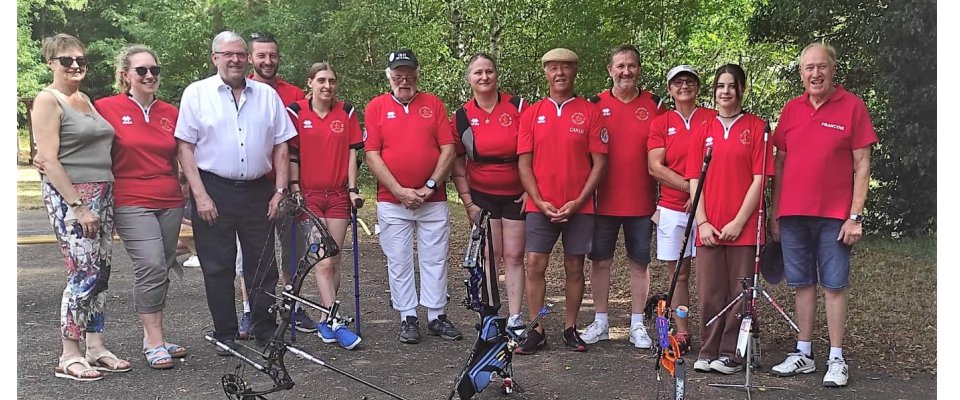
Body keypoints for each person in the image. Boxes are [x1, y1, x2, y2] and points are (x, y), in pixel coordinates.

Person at [175, 31, 296, 355]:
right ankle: (225, 334)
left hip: (259, 191)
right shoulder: (196, 94)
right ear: (215, 58)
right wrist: (200, 196)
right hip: (214, 188)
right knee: (218, 267)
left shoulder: (267, 96)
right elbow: (185, 147)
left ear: (247, 58)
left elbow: (282, 145)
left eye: (241, 54)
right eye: (228, 54)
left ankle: (265, 331)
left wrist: (280, 191)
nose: (235, 60)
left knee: (264, 267)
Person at [769, 42, 877, 388]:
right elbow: (780, 163)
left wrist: (855, 216)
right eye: (808, 68)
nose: (815, 74)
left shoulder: (852, 107)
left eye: (821, 67)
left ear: (833, 70)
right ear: (801, 74)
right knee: (801, 283)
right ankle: (804, 353)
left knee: (834, 285)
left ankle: (836, 357)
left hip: (834, 216)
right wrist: (776, 211)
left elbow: (862, 165)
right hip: (793, 214)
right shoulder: (791, 110)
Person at [32, 33, 132, 381]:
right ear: (51, 63)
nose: (75, 66)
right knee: (83, 273)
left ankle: (96, 345)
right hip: (73, 196)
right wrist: (78, 206)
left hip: (103, 193)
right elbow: (47, 157)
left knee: (101, 273)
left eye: (80, 60)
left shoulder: (84, 99)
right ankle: (68, 354)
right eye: (66, 61)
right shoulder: (49, 99)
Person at [95, 44, 187, 370]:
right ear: (125, 75)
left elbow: (186, 154)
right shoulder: (105, 107)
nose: (149, 76)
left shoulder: (171, 113)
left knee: (162, 265)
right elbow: (77, 137)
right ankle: (155, 341)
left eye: (154, 70)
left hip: (171, 200)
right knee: (150, 265)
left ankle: (152, 337)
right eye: (142, 70)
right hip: (131, 200)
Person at [365, 49, 462, 344]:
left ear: (417, 74)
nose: (403, 79)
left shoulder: (433, 104)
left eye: (408, 73)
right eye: (397, 74)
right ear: (389, 76)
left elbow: (448, 148)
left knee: (435, 259)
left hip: (433, 199)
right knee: (399, 260)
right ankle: (407, 315)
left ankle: (436, 315)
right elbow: (372, 154)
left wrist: (430, 185)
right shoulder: (377, 107)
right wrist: (398, 190)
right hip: (392, 200)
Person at [515, 48, 608, 354]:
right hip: (540, 206)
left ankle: (570, 328)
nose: (559, 73)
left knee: (574, 265)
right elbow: (524, 164)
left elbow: (599, 163)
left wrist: (580, 200)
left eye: (565, 68)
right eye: (553, 68)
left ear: (574, 72)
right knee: (534, 264)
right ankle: (535, 330)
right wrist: (539, 201)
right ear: (546, 73)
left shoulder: (590, 112)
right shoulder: (531, 113)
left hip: (580, 207)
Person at [685, 64, 772, 375]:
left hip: (744, 227)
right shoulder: (702, 130)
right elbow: (695, 179)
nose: (725, 91)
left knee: (740, 292)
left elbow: (759, 179)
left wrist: (738, 222)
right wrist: (703, 221)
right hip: (709, 225)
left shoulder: (758, 128)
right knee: (710, 291)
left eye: (731, 86)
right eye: (720, 86)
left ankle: (731, 353)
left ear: (741, 89)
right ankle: (707, 349)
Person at [580, 45, 665, 349]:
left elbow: (668, 155)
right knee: (600, 261)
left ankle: (637, 323)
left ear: (639, 69)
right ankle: (601, 321)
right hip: (603, 201)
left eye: (631, 65)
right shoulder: (593, 105)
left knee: (639, 264)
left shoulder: (656, 105)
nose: (626, 71)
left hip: (642, 203)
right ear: (610, 70)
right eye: (620, 66)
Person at [240, 32, 313, 336]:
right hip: (251, 186)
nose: (268, 61)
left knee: (293, 250)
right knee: (251, 255)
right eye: (261, 56)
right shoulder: (239, 89)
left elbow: (303, 141)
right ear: (250, 58)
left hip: (290, 187)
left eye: (273, 55)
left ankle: (291, 303)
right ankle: (251, 310)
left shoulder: (295, 93)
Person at [286, 62, 363, 349]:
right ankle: (334, 320)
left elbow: (352, 154)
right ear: (310, 83)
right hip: (310, 196)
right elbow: (292, 153)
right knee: (323, 259)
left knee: (336, 258)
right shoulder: (296, 112)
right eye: (321, 80)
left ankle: (323, 317)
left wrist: (353, 190)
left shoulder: (347, 112)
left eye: (332, 80)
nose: (327, 86)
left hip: (339, 195)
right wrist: (294, 189)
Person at [450, 53, 527, 330]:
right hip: (482, 193)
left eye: (489, 71)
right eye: (478, 73)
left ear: (496, 75)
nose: (484, 77)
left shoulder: (518, 106)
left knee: (515, 256)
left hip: (517, 193)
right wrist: (468, 201)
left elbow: (536, 152)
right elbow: (457, 162)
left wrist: (532, 190)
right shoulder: (461, 116)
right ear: (469, 78)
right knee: (489, 257)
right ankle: (491, 314)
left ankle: (516, 316)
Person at [646, 65, 717, 354]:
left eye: (689, 81)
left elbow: (721, 159)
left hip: (711, 208)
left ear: (698, 87)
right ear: (670, 89)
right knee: (680, 275)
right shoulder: (661, 122)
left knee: (711, 275)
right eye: (678, 82)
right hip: (672, 209)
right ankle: (683, 331)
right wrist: (691, 189)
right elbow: (655, 166)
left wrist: (701, 194)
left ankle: (714, 332)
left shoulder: (712, 118)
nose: (684, 86)